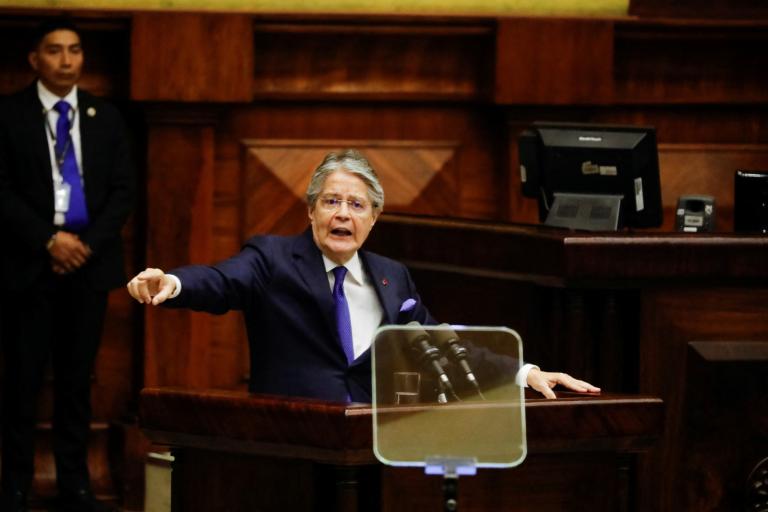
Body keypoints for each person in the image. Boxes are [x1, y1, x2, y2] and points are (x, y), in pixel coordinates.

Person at [127, 150, 598, 403]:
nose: (343, 214)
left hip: (374, 439)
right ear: (311, 211)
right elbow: (222, 280)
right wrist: (174, 283)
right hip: (294, 437)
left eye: (357, 205)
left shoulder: (393, 276)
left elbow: (437, 340)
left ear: (374, 219)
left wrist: (522, 371)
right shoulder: (272, 258)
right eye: (331, 201)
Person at [0, 18, 133, 512]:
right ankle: (14, 485)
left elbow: (123, 192)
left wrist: (82, 246)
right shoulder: (9, 115)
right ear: (35, 60)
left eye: (74, 50)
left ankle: (75, 484)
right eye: (54, 50)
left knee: (78, 383)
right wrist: (48, 240)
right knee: (22, 383)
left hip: (88, 269)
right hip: (27, 267)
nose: (66, 60)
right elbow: (3, 189)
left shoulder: (105, 116)